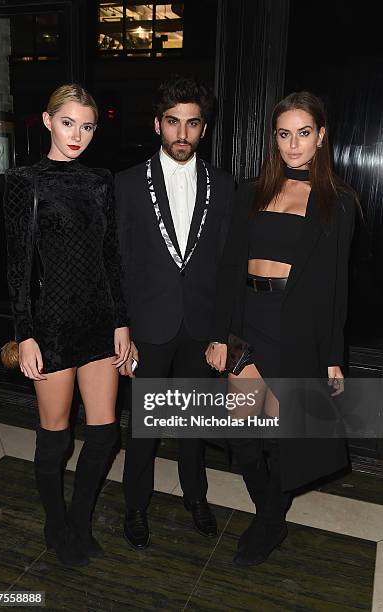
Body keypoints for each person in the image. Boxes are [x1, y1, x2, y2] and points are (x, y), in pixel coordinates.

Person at [206, 91, 357, 566]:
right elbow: (228, 268)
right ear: (274, 138)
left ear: (321, 137)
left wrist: (333, 354)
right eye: (284, 134)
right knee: (242, 438)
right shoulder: (249, 190)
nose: (294, 144)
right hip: (247, 323)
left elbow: (337, 289)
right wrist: (218, 334)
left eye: (304, 133)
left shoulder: (339, 202)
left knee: (279, 439)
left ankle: (267, 524)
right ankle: (272, 515)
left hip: (293, 329)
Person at [3, 84, 130, 567]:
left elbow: (111, 257)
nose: (78, 134)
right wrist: (25, 332)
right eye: (69, 123)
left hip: (99, 322)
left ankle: (78, 520)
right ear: (47, 121)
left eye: (88, 125)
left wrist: (121, 322)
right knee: (55, 437)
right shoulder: (25, 180)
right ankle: (55, 523)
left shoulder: (100, 180)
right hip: (51, 324)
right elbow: (17, 265)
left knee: (103, 434)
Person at [115, 75, 234, 549]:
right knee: (143, 427)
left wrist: (224, 333)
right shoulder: (126, 184)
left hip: (200, 327)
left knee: (193, 425)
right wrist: (121, 328)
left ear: (203, 128)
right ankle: (135, 506)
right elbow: (118, 262)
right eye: (173, 123)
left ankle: (196, 497)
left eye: (192, 123)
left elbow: (227, 266)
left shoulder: (225, 186)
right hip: (149, 326)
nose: (181, 134)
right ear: (157, 125)